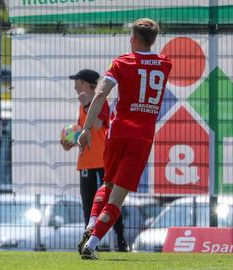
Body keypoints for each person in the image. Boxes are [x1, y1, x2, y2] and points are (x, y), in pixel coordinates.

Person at [77, 18, 172, 260]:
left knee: (107, 185)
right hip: (142, 137)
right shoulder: (165, 64)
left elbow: (100, 94)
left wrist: (86, 130)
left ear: (132, 38)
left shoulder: (122, 62)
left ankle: (90, 224)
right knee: (118, 197)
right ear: (153, 39)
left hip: (117, 132)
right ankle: (93, 243)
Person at [62, 69, 128, 253]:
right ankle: (89, 242)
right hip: (86, 161)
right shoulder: (83, 105)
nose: (74, 85)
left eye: (77, 81)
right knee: (88, 205)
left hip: (104, 160)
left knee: (111, 201)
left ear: (84, 83)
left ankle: (121, 242)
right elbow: (83, 131)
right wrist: (71, 142)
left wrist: (86, 105)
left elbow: (99, 125)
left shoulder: (100, 103)